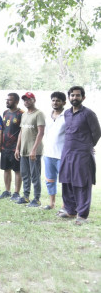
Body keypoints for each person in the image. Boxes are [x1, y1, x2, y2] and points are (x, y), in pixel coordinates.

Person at [58, 86, 100, 225]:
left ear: (83, 97)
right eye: (72, 95)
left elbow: (97, 133)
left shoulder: (88, 114)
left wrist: (88, 146)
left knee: (82, 183)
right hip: (67, 152)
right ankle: (70, 210)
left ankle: (82, 215)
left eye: (77, 95)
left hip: (82, 154)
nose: (74, 98)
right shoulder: (67, 114)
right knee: (67, 181)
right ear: (69, 97)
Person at [14, 92, 45, 207]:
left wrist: (34, 150)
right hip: (23, 150)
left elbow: (41, 133)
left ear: (34, 100)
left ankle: (36, 199)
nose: (26, 101)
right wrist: (17, 148)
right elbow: (21, 132)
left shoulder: (39, 114)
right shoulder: (24, 115)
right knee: (25, 174)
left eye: (29, 99)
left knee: (35, 175)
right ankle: (26, 196)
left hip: (34, 152)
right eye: (25, 100)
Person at [42, 91, 66, 210]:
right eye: (53, 100)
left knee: (65, 181)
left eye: (58, 100)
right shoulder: (48, 116)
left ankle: (65, 205)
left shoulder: (67, 116)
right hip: (48, 153)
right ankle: (51, 203)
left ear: (64, 102)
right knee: (50, 180)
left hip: (62, 154)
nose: (55, 102)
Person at [0, 93, 24, 201]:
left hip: (15, 148)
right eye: (7, 99)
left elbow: (22, 131)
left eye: (10, 100)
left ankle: (16, 193)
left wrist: (18, 148)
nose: (7, 101)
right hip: (5, 147)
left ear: (16, 101)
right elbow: (2, 130)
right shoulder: (5, 113)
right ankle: (7, 191)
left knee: (17, 170)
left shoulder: (21, 114)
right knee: (6, 169)